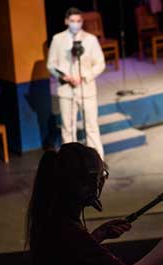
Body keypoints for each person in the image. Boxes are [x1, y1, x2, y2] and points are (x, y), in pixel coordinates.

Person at [26, 142, 163, 265]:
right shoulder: (71, 234)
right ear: (87, 187)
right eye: (101, 176)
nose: (102, 182)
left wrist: (97, 236)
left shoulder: (51, 218)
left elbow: (68, 262)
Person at [47, 7, 106, 160]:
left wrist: (84, 76)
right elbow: (51, 64)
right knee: (68, 128)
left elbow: (100, 64)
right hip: (66, 90)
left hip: (86, 89)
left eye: (78, 21)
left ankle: (97, 161)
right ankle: (69, 162)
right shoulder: (57, 39)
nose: (75, 24)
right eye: (72, 21)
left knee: (91, 127)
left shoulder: (90, 39)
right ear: (66, 21)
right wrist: (64, 76)